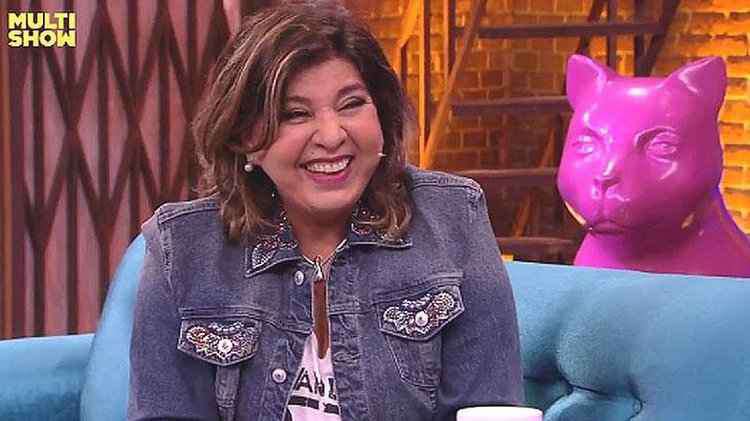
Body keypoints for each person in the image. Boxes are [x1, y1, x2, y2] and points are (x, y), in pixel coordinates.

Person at [127, 1, 524, 420]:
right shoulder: (184, 250)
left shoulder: (452, 218)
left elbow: (489, 410)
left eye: (351, 104)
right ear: (244, 136)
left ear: (382, 116)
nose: (332, 136)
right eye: (295, 114)